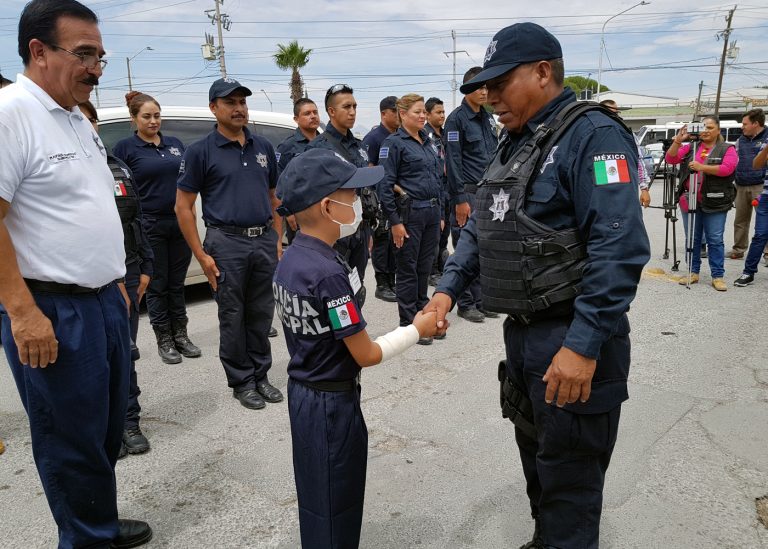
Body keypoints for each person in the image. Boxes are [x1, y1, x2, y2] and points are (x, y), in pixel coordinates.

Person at [423, 22, 650, 548]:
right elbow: (484, 222)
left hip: (571, 335)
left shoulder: (594, 136)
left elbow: (618, 251)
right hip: (525, 338)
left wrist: (583, 345)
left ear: (544, 72)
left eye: (502, 83)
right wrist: (447, 288)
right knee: (539, 464)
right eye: (486, 86)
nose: (490, 96)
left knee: (570, 481)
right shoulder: (516, 142)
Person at [0, 1, 152, 547]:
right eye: (84, 54)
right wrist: (22, 312)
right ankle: (86, 537)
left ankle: (98, 524)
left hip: (102, 302)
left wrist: (115, 278)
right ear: (38, 52)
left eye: (100, 57)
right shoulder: (10, 113)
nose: (95, 67)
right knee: (69, 439)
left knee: (104, 430)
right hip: (51, 310)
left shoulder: (73, 118)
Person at [273, 148, 438, 549]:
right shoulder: (328, 273)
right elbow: (365, 353)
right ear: (328, 206)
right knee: (336, 506)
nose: (359, 205)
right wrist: (416, 329)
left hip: (304, 392)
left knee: (317, 498)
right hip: (331, 405)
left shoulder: (291, 258)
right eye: (352, 196)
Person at [176, 78, 284, 410]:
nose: (239, 109)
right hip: (226, 243)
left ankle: (260, 375)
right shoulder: (199, 152)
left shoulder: (262, 147)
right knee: (233, 315)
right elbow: (182, 206)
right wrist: (201, 254)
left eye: (242, 102)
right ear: (214, 108)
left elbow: (274, 196)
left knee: (261, 313)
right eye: (230, 103)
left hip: (263, 239)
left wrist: (277, 240)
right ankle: (241, 381)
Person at [81, 100, 154, 457]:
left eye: (90, 119)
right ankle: (101, 431)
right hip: (78, 284)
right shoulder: (59, 170)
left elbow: (137, 221)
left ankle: (128, 422)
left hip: (125, 273)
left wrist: (145, 269)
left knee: (124, 354)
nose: (85, 124)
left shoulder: (118, 168)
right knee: (89, 362)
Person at [112, 91, 200, 365]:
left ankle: (181, 335)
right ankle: (164, 338)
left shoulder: (175, 144)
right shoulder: (126, 149)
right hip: (149, 224)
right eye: (146, 116)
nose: (153, 121)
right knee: (157, 283)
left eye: (157, 116)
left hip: (179, 222)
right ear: (134, 119)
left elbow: (187, 182)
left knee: (177, 283)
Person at [378, 94, 444, 345]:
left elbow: (438, 179)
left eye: (423, 112)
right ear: (402, 114)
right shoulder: (393, 143)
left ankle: (423, 314)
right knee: (408, 269)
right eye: (417, 112)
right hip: (409, 214)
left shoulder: (427, 141)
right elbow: (384, 186)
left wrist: (441, 213)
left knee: (424, 268)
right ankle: (409, 324)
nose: (422, 116)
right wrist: (395, 221)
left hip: (431, 211)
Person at [307, 84, 373, 304]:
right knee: (334, 292)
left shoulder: (359, 146)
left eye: (354, 106)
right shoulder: (319, 148)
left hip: (359, 230)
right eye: (346, 107)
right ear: (331, 111)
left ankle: (353, 334)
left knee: (357, 288)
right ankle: (338, 337)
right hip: (335, 232)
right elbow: (312, 193)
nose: (352, 111)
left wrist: (367, 231)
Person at [445, 66, 499, 323]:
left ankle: (481, 300)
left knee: (486, 249)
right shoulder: (456, 120)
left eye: (487, 87)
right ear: (467, 88)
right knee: (465, 248)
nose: (484, 91)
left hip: (488, 191)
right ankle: (466, 303)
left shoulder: (487, 118)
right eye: (479, 87)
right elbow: (453, 162)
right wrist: (459, 199)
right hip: (468, 192)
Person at [666, 117, 737, 291]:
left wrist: (702, 167)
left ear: (718, 130)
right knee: (692, 238)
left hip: (716, 201)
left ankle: (717, 275)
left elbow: (727, 169)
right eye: (703, 127)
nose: (706, 130)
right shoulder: (691, 147)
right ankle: (693, 271)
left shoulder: (727, 148)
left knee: (714, 239)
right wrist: (678, 140)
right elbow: (671, 159)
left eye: (710, 127)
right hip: (689, 200)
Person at [363, 95, 400, 303]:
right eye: (395, 111)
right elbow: (370, 170)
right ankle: (381, 283)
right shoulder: (374, 137)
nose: (398, 115)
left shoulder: (397, 136)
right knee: (382, 243)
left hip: (395, 200)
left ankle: (391, 281)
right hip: (379, 199)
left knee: (394, 244)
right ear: (384, 113)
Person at [276, 97, 321, 244]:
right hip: (300, 216)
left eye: (315, 112)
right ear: (296, 119)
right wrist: (287, 212)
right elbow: (278, 184)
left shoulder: (327, 143)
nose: (313, 116)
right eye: (307, 113)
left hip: (326, 213)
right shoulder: (287, 147)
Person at [728, 108, 767, 260]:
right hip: (741, 185)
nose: (742, 127)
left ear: (756, 123)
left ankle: (767, 253)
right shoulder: (740, 140)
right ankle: (738, 249)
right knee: (740, 220)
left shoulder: (767, 138)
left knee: (764, 220)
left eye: (745, 124)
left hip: (761, 186)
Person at [599, 99, 652, 207]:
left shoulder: (626, 134)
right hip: (600, 188)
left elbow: (638, 160)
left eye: (616, 113)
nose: (615, 116)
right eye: (611, 113)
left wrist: (644, 188)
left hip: (624, 187)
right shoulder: (594, 134)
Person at [733, 142, 768, 286]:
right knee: (760, 234)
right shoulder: (765, 143)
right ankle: (748, 272)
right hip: (766, 197)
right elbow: (756, 164)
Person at [425, 96, 450, 286]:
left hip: (448, 187)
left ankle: (442, 267)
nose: (442, 115)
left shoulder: (446, 134)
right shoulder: (424, 136)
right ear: (427, 115)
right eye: (438, 112)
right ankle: (431, 271)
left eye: (443, 112)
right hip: (434, 187)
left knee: (445, 230)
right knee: (435, 232)